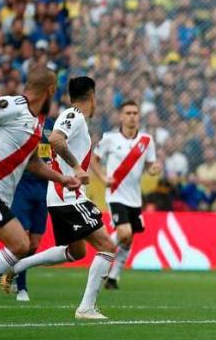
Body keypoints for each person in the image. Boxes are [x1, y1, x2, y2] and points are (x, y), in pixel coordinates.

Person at [0, 65, 80, 333]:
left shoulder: (38, 122)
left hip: (0, 197)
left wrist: (61, 178)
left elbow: (32, 163)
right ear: (51, 90)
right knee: (21, 243)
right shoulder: (11, 104)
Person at [0, 76, 117, 320]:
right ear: (92, 96)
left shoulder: (74, 117)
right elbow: (55, 139)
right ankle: (86, 308)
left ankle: (18, 266)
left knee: (77, 252)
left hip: (61, 196)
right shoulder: (74, 115)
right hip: (68, 196)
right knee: (107, 246)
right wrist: (76, 167)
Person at [90, 100, 160, 290]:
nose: (131, 116)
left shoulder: (147, 140)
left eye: (135, 113)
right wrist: (103, 177)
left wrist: (153, 169)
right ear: (121, 116)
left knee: (128, 239)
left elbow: (150, 165)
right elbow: (93, 159)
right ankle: (101, 254)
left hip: (135, 198)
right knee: (124, 232)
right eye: (128, 113)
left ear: (139, 116)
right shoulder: (109, 139)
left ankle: (113, 278)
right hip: (115, 194)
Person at [10, 115, 55, 302]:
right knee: (23, 240)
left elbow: (57, 150)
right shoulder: (22, 121)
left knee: (34, 244)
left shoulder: (53, 125)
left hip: (44, 188)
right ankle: (22, 288)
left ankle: (14, 270)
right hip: (23, 187)